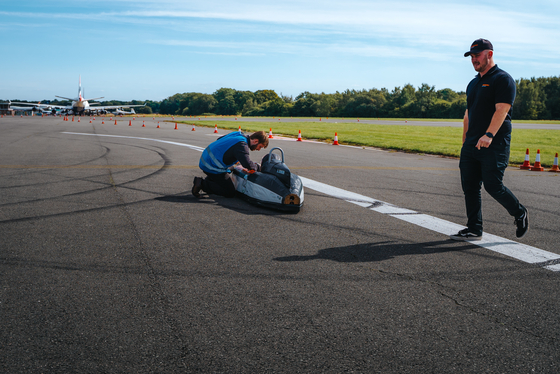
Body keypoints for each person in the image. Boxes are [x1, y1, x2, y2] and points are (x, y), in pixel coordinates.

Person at [451, 38, 528, 241]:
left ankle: (519, 212)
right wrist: (465, 141)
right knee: (470, 186)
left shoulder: (502, 79)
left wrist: (489, 135)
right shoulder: (473, 83)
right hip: (472, 144)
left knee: (493, 186)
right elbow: (468, 114)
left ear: (490, 54)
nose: (474, 60)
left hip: (494, 143)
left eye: (477, 55)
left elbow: (502, 110)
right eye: (471, 56)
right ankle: (474, 228)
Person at [192, 130, 269, 198]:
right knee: (229, 192)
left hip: (206, 159)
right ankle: (202, 183)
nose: (258, 149)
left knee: (233, 168)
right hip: (210, 166)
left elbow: (219, 139)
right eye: (260, 146)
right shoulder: (242, 145)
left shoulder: (238, 134)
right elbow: (247, 164)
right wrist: (258, 167)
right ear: (255, 141)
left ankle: (211, 179)